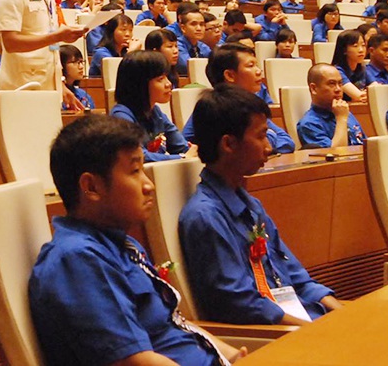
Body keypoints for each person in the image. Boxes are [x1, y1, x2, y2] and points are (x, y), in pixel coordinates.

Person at [29, 115, 244, 365]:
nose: (148, 185)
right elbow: (133, 361)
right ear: (91, 187)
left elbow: (174, 326)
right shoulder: (78, 259)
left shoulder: (119, 245)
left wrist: (231, 356)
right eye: (134, 171)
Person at [180, 85, 341, 324]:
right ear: (229, 144)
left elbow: (297, 278)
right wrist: (317, 329)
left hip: (303, 319)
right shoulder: (205, 216)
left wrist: (343, 316)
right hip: (270, 337)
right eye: (261, 136)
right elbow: (241, 305)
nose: (269, 147)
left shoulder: (252, 205)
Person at [182, 44, 295, 154]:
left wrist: (266, 140)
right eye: (250, 66)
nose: (258, 71)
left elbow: (287, 142)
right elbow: (244, 149)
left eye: (257, 65)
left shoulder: (250, 104)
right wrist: (269, 137)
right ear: (230, 75)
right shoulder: (214, 107)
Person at [110, 50, 196, 162]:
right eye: (160, 79)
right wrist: (182, 157)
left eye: (166, 77)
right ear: (139, 85)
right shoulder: (121, 116)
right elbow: (140, 156)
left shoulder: (155, 112)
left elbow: (182, 147)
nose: (168, 84)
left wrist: (193, 152)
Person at [296, 63, 366, 148]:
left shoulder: (346, 113)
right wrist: (341, 119)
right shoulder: (309, 124)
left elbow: (366, 144)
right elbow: (337, 155)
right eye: (332, 84)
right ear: (313, 88)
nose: (338, 89)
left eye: (340, 83)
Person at [331, 30, 367, 102]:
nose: (361, 50)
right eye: (355, 46)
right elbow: (359, 96)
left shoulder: (363, 69)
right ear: (344, 50)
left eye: (363, 45)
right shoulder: (337, 72)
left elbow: (376, 90)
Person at [176, 9, 211, 76]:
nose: (199, 28)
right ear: (183, 28)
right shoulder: (177, 46)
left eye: (202, 24)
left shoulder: (203, 46)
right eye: (193, 24)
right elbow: (189, 67)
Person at [59, 44, 93, 110]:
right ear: (61, 65)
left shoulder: (83, 94)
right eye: (75, 62)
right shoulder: (57, 95)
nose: (81, 67)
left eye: (81, 62)